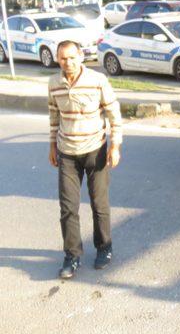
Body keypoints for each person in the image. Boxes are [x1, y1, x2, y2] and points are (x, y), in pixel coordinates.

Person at [48, 40, 122, 279]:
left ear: (81, 56)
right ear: (57, 59)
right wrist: (51, 145)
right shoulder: (53, 83)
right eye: (62, 58)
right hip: (67, 152)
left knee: (99, 204)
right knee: (68, 207)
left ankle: (104, 247)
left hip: (95, 149)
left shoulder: (97, 80)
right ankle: (72, 255)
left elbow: (113, 112)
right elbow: (53, 115)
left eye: (71, 57)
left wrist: (115, 145)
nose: (67, 62)